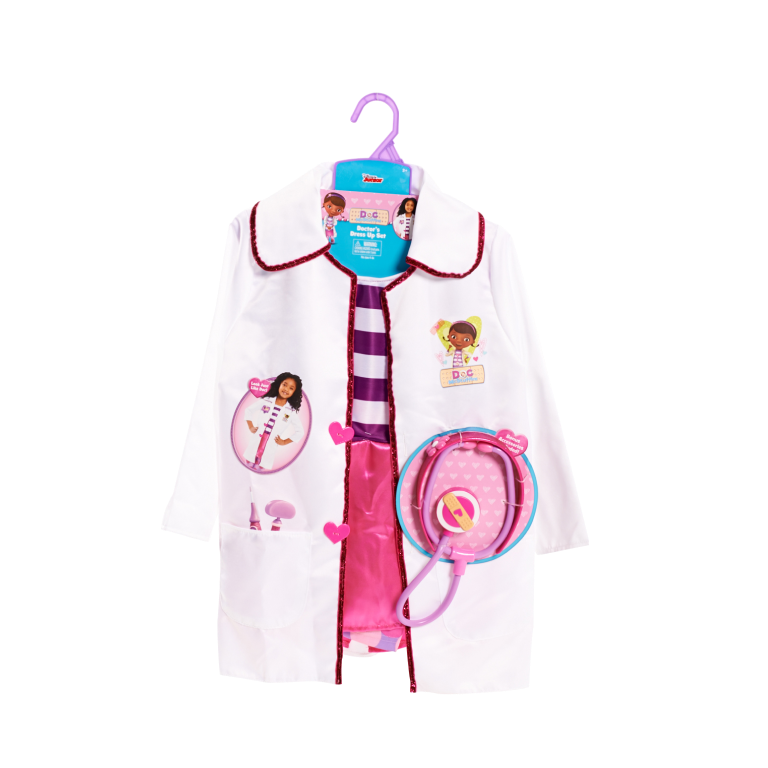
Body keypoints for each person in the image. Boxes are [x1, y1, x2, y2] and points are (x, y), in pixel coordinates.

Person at [243, 373, 304, 471]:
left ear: (294, 392)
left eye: (291, 388)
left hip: (271, 442)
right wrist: (250, 426)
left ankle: (260, 463)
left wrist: (284, 441)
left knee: (261, 465)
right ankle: (252, 459)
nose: (286, 389)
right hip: (259, 436)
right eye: (284, 385)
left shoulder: (290, 411)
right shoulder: (266, 401)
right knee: (249, 460)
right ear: (279, 384)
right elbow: (249, 410)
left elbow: (300, 432)